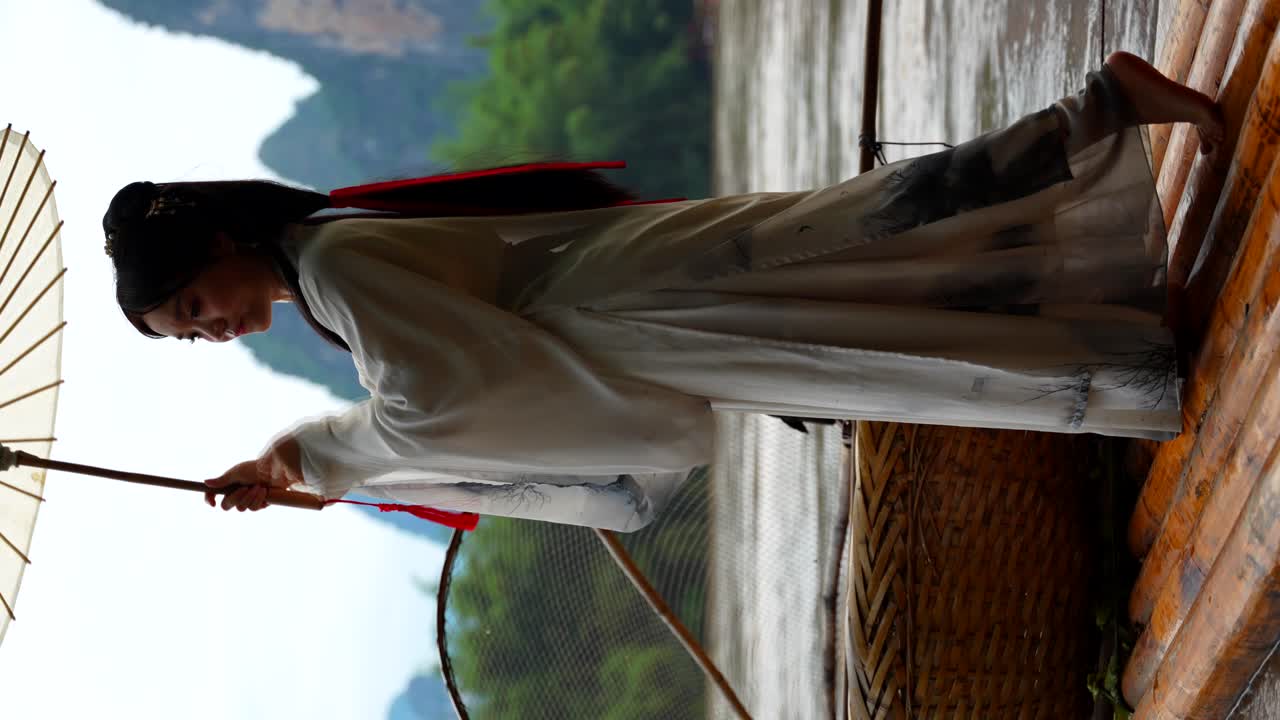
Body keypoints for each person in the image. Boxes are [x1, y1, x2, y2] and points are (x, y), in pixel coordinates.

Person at [103, 52, 1222, 531]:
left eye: (195, 308)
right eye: (190, 338)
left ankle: (1102, 131)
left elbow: (436, 404)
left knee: (890, 294)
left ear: (212, 239)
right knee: (892, 274)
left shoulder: (337, 270)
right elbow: (446, 386)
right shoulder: (326, 258)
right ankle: (1125, 299)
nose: (213, 330)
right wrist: (307, 460)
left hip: (647, 312)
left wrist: (314, 457)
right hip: (640, 297)